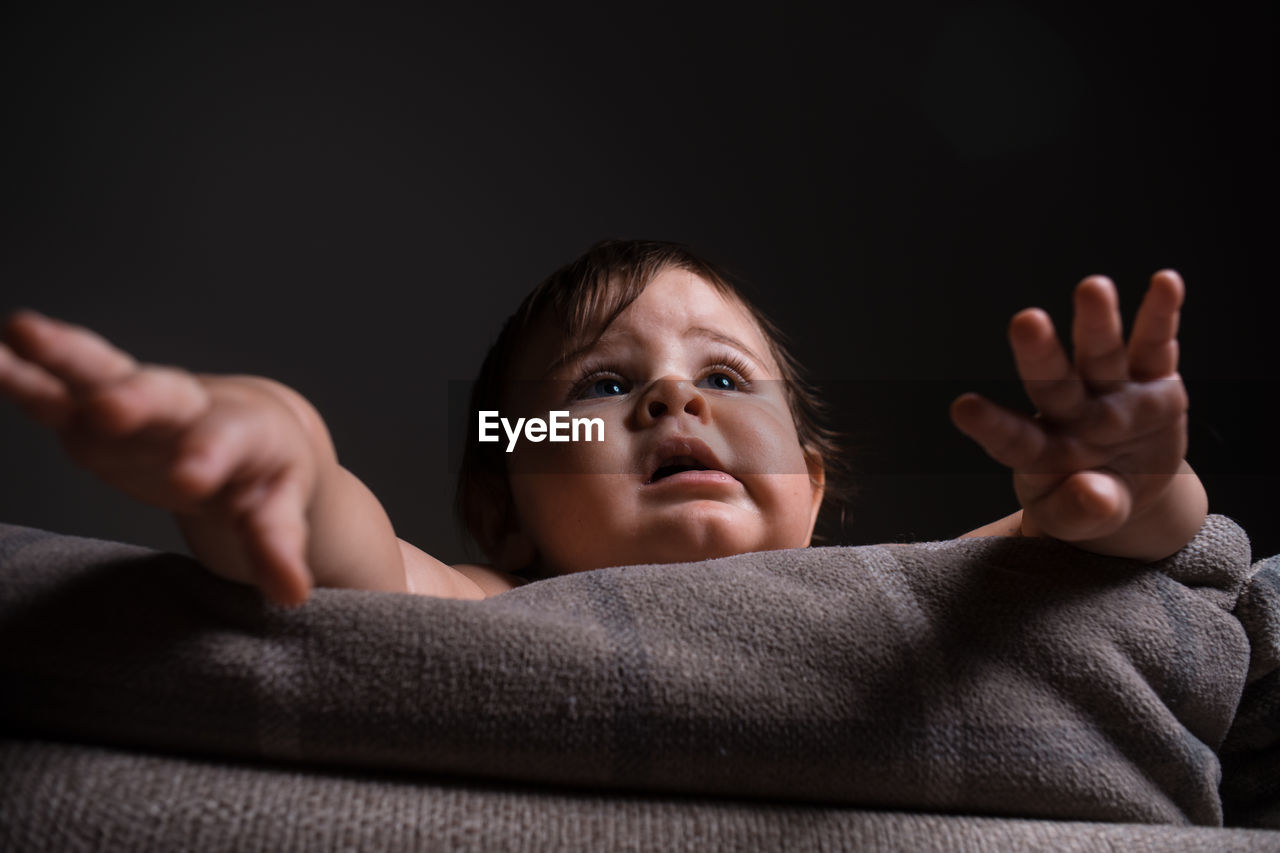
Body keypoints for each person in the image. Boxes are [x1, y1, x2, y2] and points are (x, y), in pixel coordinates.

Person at [0, 240, 1207, 606]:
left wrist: (1131, 481)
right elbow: (336, 542)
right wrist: (258, 442)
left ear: (812, 484)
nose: (673, 400)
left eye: (727, 381)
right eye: (597, 386)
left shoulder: (899, 594)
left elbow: (1113, 550)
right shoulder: (493, 601)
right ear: (501, 505)